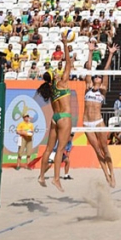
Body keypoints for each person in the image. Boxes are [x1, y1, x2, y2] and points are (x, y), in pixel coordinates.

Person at [36, 32, 75, 191]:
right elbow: (68, 63)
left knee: (48, 149)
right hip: (64, 118)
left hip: (54, 118)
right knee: (60, 150)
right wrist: (65, 44)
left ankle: (41, 176)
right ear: (54, 77)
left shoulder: (50, 89)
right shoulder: (62, 83)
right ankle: (56, 179)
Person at [83, 42, 118, 187]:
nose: (97, 77)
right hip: (86, 123)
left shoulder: (102, 90)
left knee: (105, 148)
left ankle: (113, 175)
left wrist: (110, 54)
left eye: (98, 77)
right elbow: (89, 69)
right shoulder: (88, 88)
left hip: (98, 121)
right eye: (95, 77)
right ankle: (106, 176)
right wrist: (90, 52)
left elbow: (106, 71)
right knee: (97, 151)